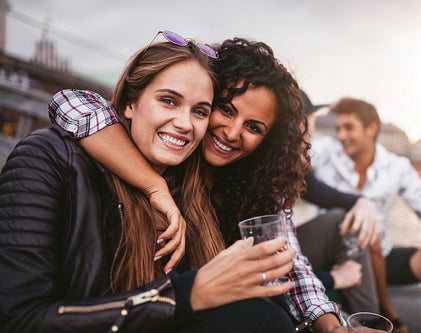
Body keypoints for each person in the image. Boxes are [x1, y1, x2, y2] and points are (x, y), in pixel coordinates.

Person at [48, 38, 352, 332]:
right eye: (226, 109)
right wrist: (155, 184)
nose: (232, 133)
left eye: (253, 127)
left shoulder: (255, 188)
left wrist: (330, 324)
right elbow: (71, 102)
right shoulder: (165, 158)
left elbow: (291, 263)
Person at [0, 33, 297, 333]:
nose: (184, 123)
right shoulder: (51, 159)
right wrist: (182, 296)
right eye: (168, 101)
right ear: (130, 103)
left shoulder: (189, 185)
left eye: (199, 111)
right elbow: (19, 319)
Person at [311, 96, 421, 333]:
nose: (341, 136)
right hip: (338, 258)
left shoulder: (397, 166)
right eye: (338, 128)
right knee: (366, 232)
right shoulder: (325, 152)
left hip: (381, 259)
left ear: (371, 129)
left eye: (349, 128)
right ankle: (390, 316)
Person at [294, 90, 380, 316]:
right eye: (312, 117)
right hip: (275, 263)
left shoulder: (289, 160)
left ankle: (367, 320)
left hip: (285, 251)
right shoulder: (279, 162)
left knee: (345, 218)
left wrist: (362, 201)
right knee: (344, 222)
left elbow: (322, 193)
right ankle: (370, 321)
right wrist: (333, 279)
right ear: (301, 122)